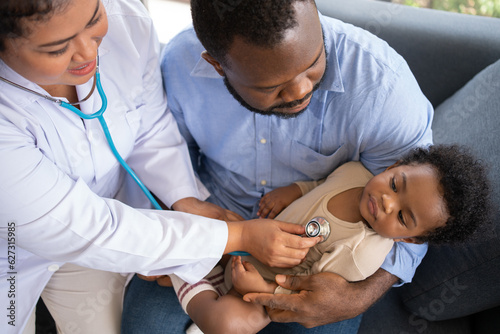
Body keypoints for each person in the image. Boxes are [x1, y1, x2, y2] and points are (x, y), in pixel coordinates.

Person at [0, 1, 320, 333]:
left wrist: (184, 199)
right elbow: (92, 229)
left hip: (111, 220)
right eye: (57, 48)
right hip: (12, 254)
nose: (87, 51)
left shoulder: (127, 18)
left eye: (94, 20)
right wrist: (235, 236)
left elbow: (148, 123)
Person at [120, 0, 434, 333]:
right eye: (271, 86)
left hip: (316, 265)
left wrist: (357, 297)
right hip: (215, 228)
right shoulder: (179, 65)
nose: (302, 90)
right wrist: (162, 229)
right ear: (217, 65)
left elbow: (423, 212)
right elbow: (160, 157)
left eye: (313, 62)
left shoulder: (384, 89)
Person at [170, 144, 491, 334]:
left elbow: (308, 288)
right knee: (201, 222)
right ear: (394, 166)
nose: (387, 202)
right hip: (247, 241)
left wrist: (262, 290)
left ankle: (192, 289)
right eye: (395, 184)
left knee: (228, 324)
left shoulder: (361, 254)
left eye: (403, 217)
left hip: (262, 289)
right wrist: (292, 192)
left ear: (410, 239)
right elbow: (318, 185)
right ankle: (187, 265)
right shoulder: (354, 172)